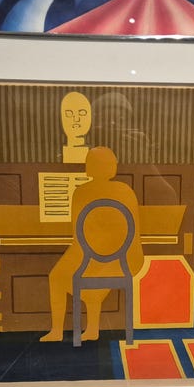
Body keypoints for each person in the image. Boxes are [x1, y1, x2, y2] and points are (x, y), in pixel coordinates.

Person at [40, 146, 144, 342]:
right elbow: (135, 231)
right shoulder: (127, 191)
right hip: (127, 256)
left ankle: (57, 331)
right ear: (113, 167)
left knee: (58, 276)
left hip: (99, 254)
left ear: (89, 167)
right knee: (87, 273)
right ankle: (92, 329)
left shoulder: (81, 192)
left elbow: (77, 235)